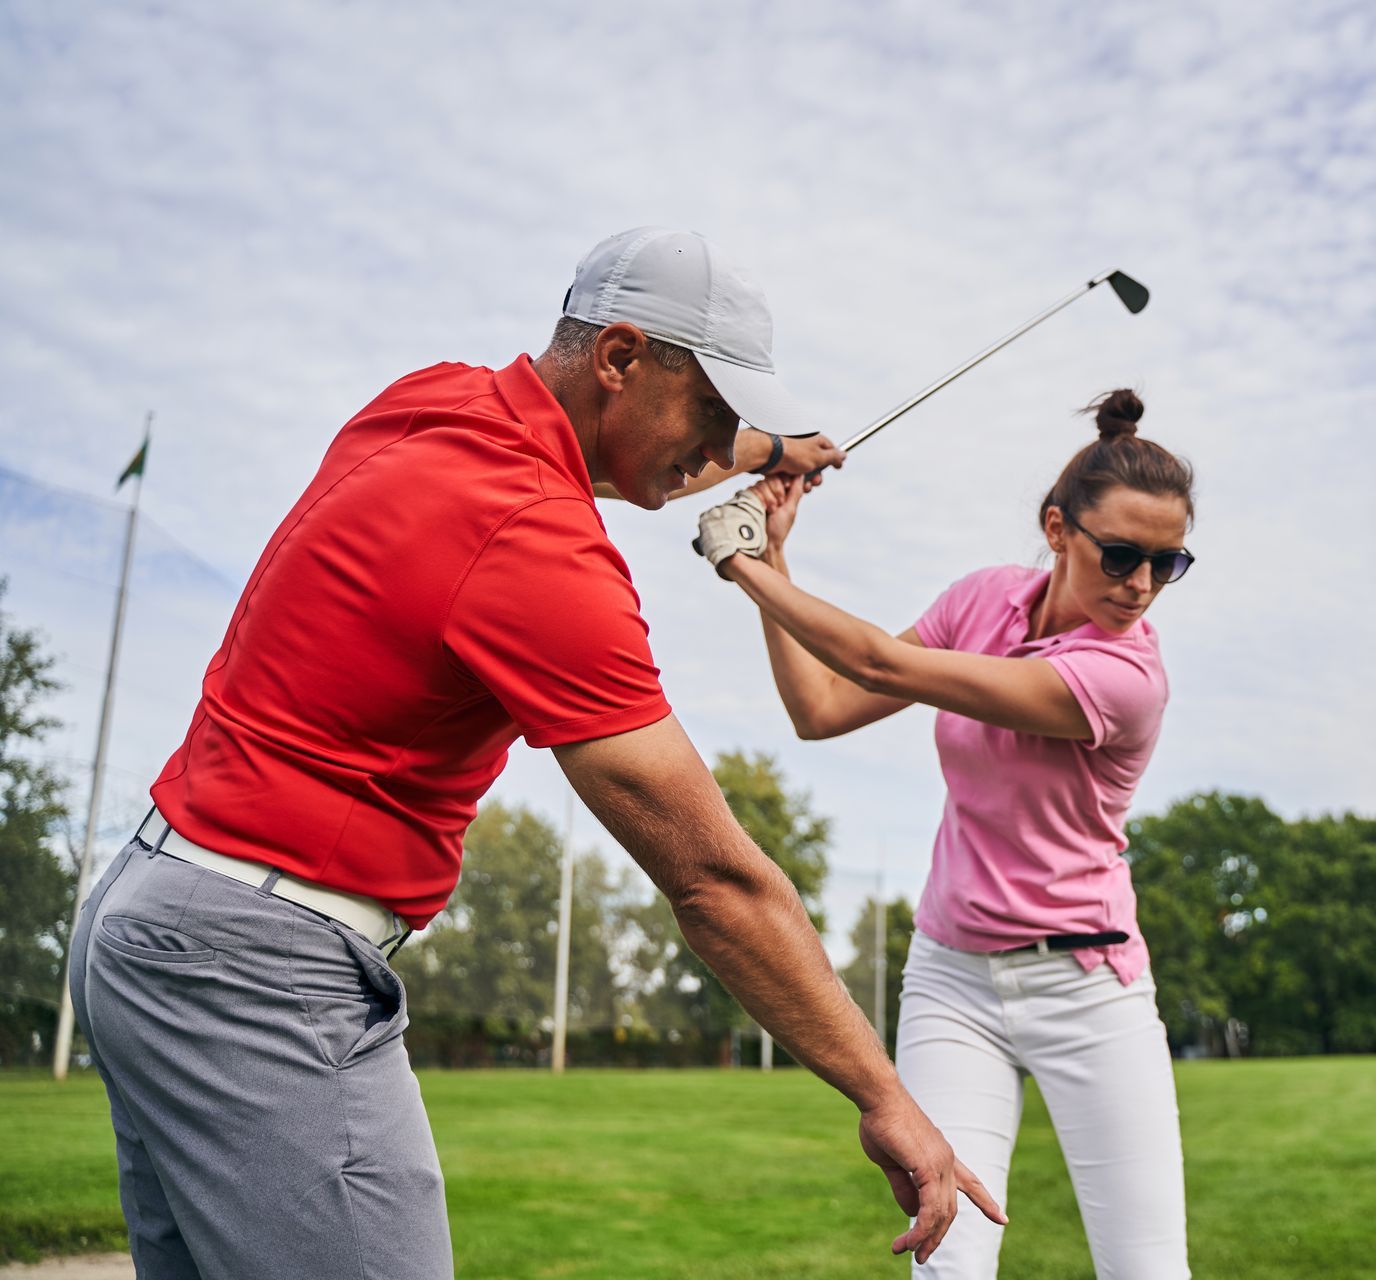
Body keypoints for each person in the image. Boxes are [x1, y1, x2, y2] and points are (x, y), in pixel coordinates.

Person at [67, 226, 1001, 1279]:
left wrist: (775, 451)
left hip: (154, 918)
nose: (715, 449)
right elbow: (714, 879)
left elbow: (640, 448)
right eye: (715, 410)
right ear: (620, 357)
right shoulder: (539, 544)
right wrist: (884, 1092)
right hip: (257, 966)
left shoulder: (433, 401)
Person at [695, 388, 1196, 1278]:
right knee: (948, 1265)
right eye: (1121, 556)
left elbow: (883, 663)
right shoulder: (985, 601)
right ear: (1056, 529)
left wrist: (743, 568)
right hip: (952, 981)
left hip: (1088, 989)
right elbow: (823, 706)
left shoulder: (1125, 678)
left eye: (1168, 564)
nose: (1142, 586)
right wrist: (772, 560)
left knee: (1146, 1270)